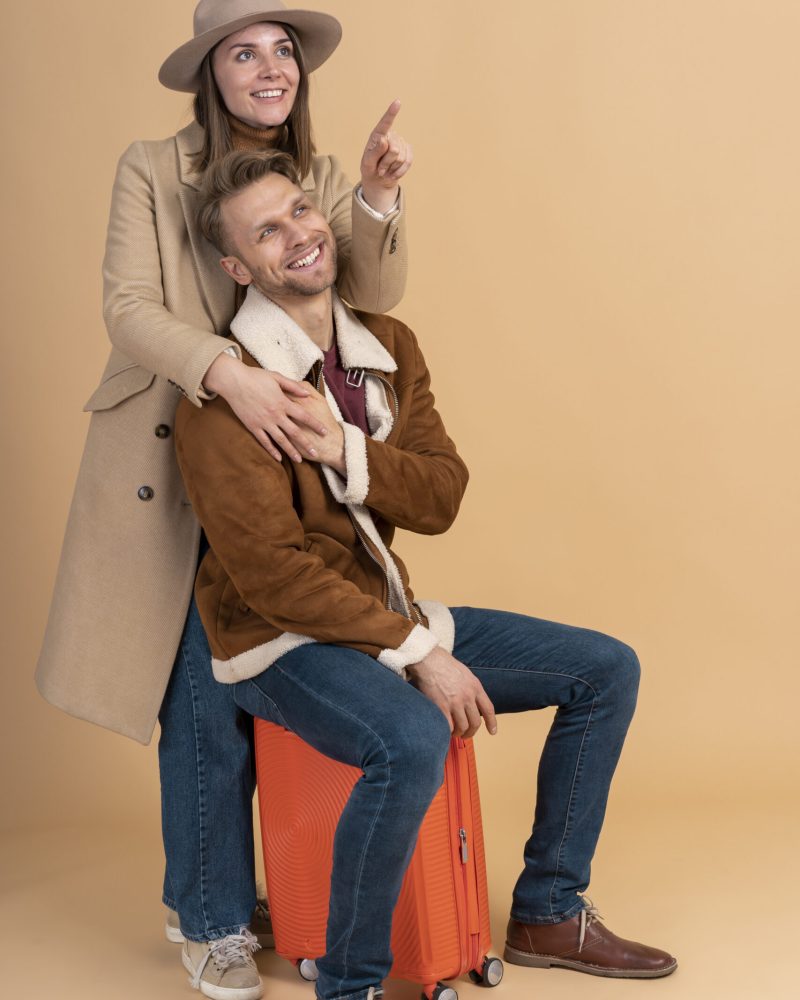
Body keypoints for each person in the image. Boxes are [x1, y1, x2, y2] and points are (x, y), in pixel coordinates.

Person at [174, 148, 679, 1000]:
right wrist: (417, 653)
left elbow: (441, 494)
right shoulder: (224, 395)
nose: (298, 234)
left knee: (606, 668)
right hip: (278, 642)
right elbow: (274, 578)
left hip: (382, 614)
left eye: (299, 210)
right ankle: (351, 981)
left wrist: (345, 448)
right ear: (236, 267)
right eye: (267, 230)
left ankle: (549, 909)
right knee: (407, 739)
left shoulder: (390, 345)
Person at [34, 2, 415, 996]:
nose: (267, 68)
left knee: (279, 675)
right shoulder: (150, 167)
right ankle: (208, 915)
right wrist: (224, 372)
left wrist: (371, 199)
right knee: (199, 696)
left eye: (280, 50)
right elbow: (126, 307)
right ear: (211, 71)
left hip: (282, 459)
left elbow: (366, 291)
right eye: (242, 52)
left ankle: (259, 891)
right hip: (172, 450)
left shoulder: (322, 177)